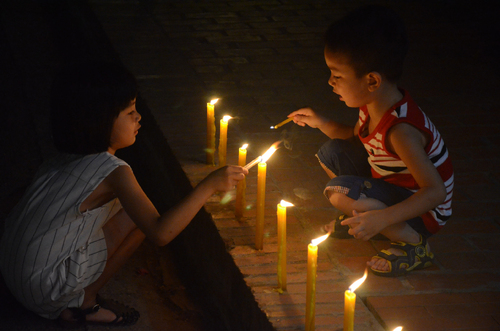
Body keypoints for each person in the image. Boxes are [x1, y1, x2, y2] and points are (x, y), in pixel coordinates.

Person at [0, 61, 248, 326]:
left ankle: (73, 292)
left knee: (125, 209)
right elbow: (161, 233)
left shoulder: (61, 159)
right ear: (101, 120)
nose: (139, 117)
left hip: (13, 271)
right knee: (138, 222)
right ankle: (86, 303)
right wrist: (208, 186)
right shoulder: (113, 171)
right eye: (130, 112)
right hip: (43, 291)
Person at [288, 5, 453, 277]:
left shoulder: (400, 130)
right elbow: (355, 139)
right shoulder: (372, 105)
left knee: (338, 191)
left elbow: (435, 192)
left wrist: (384, 218)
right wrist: (321, 123)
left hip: (424, 212)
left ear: (372, 81)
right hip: (394, 186)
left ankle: (413, 244)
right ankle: (365, 217)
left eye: (337, 75)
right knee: (332, 152)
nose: (330, 82)